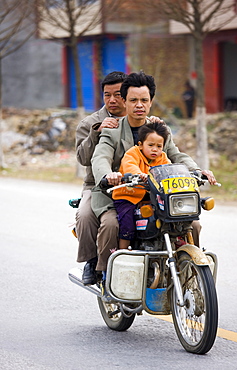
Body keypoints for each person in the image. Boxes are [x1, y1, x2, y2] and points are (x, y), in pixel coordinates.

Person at [91, 71, 217, 280]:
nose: (139, 105)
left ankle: (189, 270)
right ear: (124, 101)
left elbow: (176, 155)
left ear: (150, 102)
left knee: (192, 222)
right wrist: (108, 175)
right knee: (111, 224)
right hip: (121, 192)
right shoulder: (112, 131)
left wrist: (196, 171)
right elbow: (100, 157)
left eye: (144, 100)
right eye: (133, 100)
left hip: (156, 194)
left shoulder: (158, 129)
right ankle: (108, 273)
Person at [75, 71, 127, 285]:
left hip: (137, 185)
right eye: (107, 95)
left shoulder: (138, 118)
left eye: (118, 94)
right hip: (97, 186)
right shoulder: (90, 122)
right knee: (85, 216)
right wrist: (96, 132)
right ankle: (91, 260)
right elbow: (83, 158)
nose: (112, 100)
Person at [112, 121, 171, 250]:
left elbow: (168, 169)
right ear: (140, 144)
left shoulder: (163, 158)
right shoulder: (132, 153)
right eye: (150, 145)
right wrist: (139, 174)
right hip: (128, 197)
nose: (155, 149)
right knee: (127, 222)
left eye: (159, 146)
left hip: (151, 198)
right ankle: (123, 253)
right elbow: (130, 166)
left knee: (170, 217)